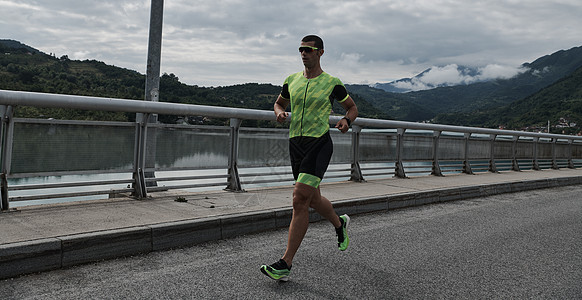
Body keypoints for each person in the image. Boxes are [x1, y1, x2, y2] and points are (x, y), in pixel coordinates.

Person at [260, 35, 358, 281]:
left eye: (309, 50)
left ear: (320, 52)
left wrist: (346, 120)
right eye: (301, 49)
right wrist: (280, 112)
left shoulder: (331, 83)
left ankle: (285, 262)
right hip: (296, 144)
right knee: (313, 199)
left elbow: (352, 108)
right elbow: (278, 103)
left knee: (299, 199)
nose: (304, 53)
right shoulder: (291, 80)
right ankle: (340, 223)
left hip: (319, 143)